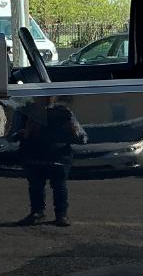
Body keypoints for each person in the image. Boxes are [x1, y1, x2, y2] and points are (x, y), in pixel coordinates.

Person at [11, 96, 87, 226]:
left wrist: (74, 132)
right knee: (36, 186)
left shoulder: (63, 112)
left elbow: (83, 137)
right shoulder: (25, 111)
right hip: (33, 155)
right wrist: (24, 132)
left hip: (58, 156)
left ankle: (61, 215)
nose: (46, 98)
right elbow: (11, 136)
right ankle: (37, 213)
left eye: (49, 95)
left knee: (59, 186)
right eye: (42, 95)